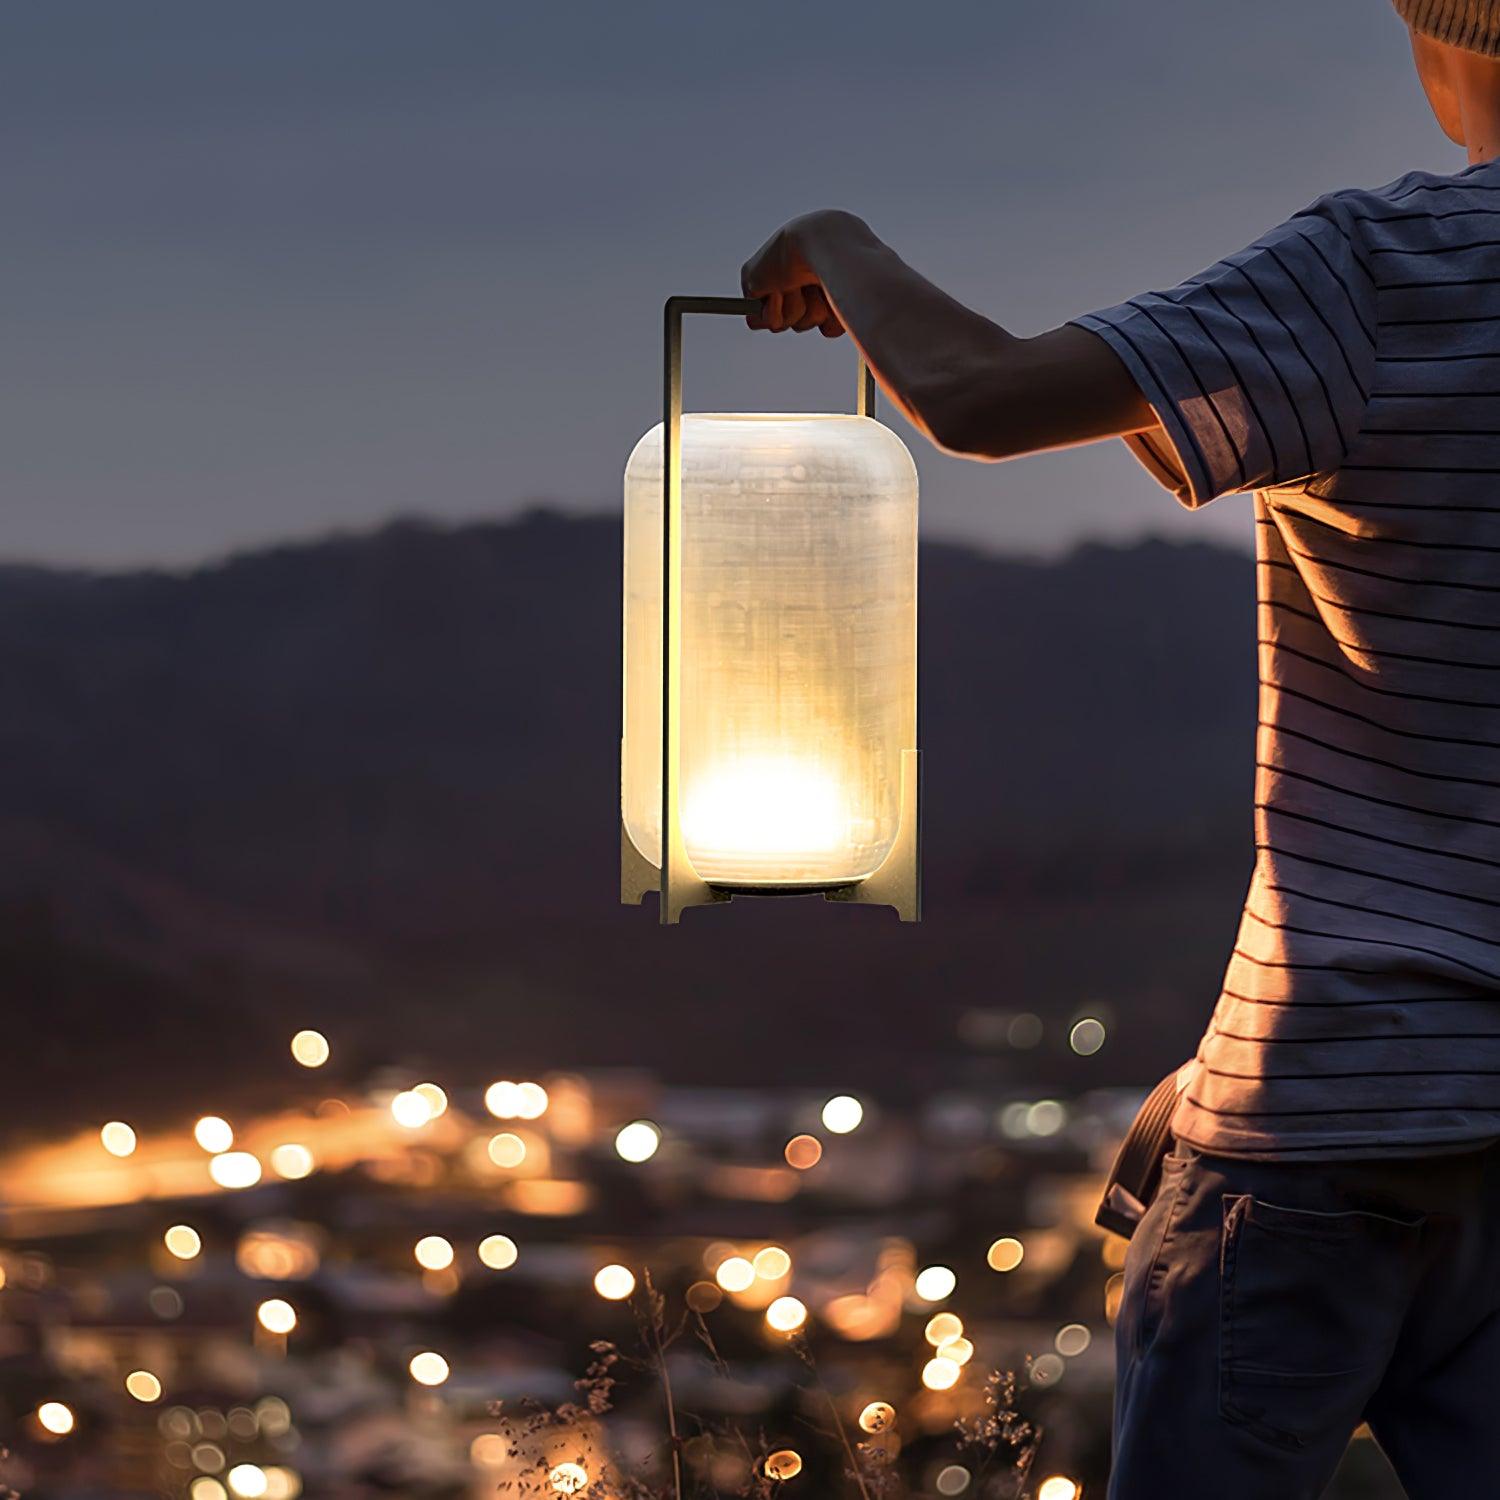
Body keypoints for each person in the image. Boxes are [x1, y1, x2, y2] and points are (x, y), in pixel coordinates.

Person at [741, 3, 1500, 1495]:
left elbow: (985, 398)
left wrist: (836, 242)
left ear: (1448, 39)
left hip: (1334, 1121)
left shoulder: (1383, 270)